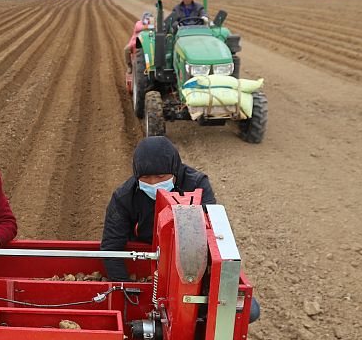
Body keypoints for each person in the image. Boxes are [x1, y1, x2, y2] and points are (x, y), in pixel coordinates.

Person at [100, 136, 259, 321]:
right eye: (146, 178)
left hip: (190, 257)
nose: (153, 184)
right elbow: (111, 247)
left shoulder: (197, 185)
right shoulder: (125, 197)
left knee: (249, 311)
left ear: (175, 170)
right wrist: (128, 291)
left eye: (160, 177)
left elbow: (210, 234)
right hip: (146, 261)